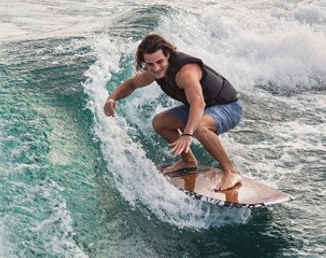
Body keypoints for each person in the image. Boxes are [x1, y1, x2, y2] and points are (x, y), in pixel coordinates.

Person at [103, 33, 244, 192]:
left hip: (228, 107)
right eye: (150, 64)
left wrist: (187, 134)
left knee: (199, 127)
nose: (156, 68)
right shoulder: (153, 70)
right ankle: (189, 162)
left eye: (160, 62)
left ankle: (231, 172)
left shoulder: (186, 72)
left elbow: (198, 103)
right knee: (160, 123)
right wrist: (112, 98)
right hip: (205, 107)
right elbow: (132, 84)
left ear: (168, 56)